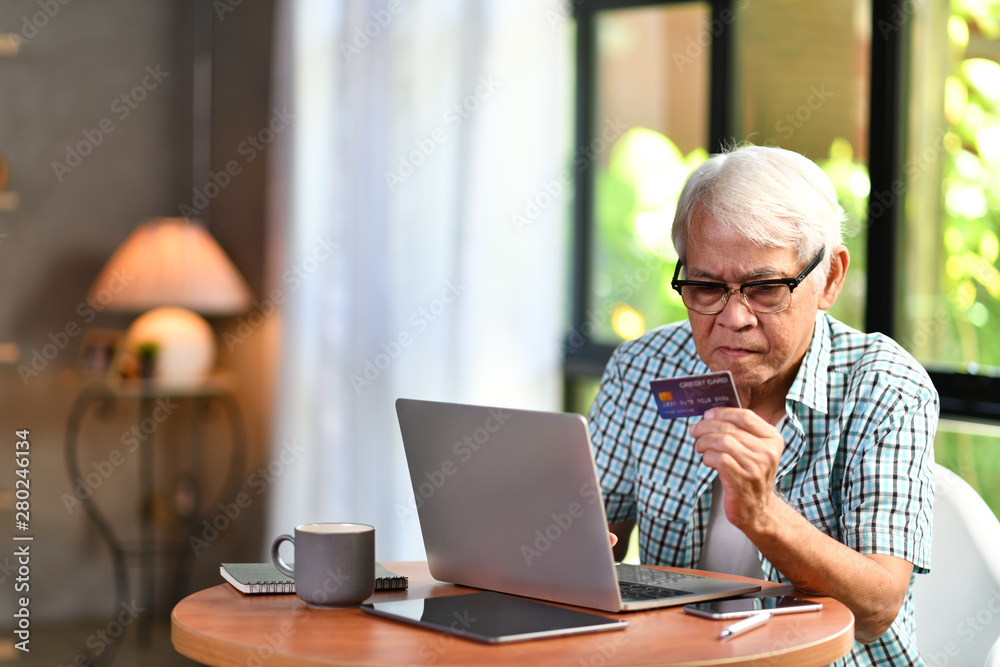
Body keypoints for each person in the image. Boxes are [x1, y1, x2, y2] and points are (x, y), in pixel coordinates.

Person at [590, 145, 938, 665]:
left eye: (765, 288)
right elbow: (599, 543)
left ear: (831, 278)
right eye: (706, 287)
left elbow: (878, 607)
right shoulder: (643, 367)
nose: (733, 318)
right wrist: (566, 539)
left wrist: (762, 513)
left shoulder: (884, 387)